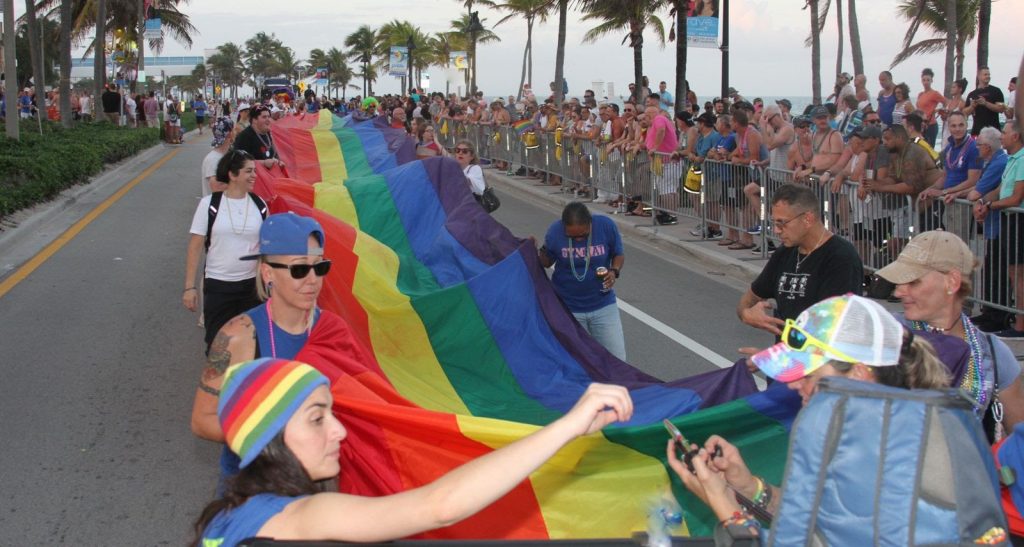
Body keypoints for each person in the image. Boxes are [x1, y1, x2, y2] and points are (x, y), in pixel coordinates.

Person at [192, 357, 632, 546]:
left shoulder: (224, 515)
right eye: (316, 417)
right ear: (270, 439)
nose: (340, 431)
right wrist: (569, 426)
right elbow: (440, 505)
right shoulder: (302, 517)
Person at [672, 294, 950, 540]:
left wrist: (726, 506)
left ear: (859, 375)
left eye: (809, 373)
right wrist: (750, 487)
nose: (793, 384)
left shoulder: (895, 455)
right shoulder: (866, 433)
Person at [190, 213, 353, 485]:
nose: (312, 279)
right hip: (250, 490)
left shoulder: (333, 330)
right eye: (300, 269)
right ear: (268, 273)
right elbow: (202, 420)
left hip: (309, 487)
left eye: (319, 267)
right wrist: (275, 437)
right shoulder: (238, 336)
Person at [876, 230, 1024, 440]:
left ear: (952, 282)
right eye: (900, 282)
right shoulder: (885, 333)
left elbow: (1018, 442)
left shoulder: (993, 353)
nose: (899, 292)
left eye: (913, 281)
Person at [737, 184, 863, 338]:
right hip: (785, 358)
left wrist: (776, 358)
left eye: (782, 223)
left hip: (818, 360)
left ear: (807, 219)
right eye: (775, 223)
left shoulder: (841, 257)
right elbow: (750, 297)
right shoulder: (784, 253)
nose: (776, 230)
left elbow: (832, 328)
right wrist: (746, 313)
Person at [184, 149, 265, 354]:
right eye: (249, 171)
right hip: (218, 287)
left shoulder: (260, 205)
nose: (254, 175)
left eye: (254, 170)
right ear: (232, 174)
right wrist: (189, 288)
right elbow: (195, 246)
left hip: (251, 289)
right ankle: (219, 385)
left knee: (250, 348)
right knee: (217, 348)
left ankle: (244, 385)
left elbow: (267, 248)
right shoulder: (209, 204)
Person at [539, 202, 627, 361]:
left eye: (584, 234)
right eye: (572, 236)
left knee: (617, 360)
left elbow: (618, 253)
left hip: (603, 306)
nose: (579, 239)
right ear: (563, 226)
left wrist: (614, 271)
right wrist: (536, 251)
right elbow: (546, 262)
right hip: (568, 309)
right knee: (576, 363)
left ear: (590, 222)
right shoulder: (554, 232)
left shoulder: (605, 226)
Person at [973, 124, 1024, 340]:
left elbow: (1015, 197)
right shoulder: (1012, 159)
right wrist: (985, 201)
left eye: (1004, 132)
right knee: (1012, 273)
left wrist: (990, 206)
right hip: (1009, 219)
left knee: (1018, 274)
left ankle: (1021, 325)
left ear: (1016, 135)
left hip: (1018, 219)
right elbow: (1001, 190)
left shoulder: (1021, 160)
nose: (1001, 137)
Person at [967, 127, 1012, 332]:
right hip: (993, 225)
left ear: (986, 146)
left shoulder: (1000, 162)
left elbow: (976, 192)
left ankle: (997, 315)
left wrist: (981, 201)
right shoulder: (995, 161)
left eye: (978, 145)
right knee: (991, 268)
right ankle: (990, 311)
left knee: (998, 270)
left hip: (1000, 224)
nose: (977, 148)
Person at [234, 104, 285, 171]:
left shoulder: (267, 133)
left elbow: (273, 154)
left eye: (268, 116)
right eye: (264, 117)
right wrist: (263, 163)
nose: (268, 120)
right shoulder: (244, 137)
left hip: (269, 177)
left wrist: (278, 161)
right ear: (254, 120)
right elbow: (240, 162)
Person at [965, 67, 1006, 136]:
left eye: (989, 75)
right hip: (977, 132)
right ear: (979, 76)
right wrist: (972, 107)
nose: (988, 76)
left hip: (994, 132)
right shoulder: (972, 94)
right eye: (985, 74)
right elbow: (964, 113)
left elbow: (1001, 109)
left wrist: (985, 103)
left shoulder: (996, 91)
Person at [201, 117, 235, 196]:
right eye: (233, 129)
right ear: (230, 134)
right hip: (217, 206)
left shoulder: (224, 156)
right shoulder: (213, 159)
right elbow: (217, 188)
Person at [917, 68, 946, 146]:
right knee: (920, 148)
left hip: (931, 125)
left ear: (931, 81)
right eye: (924, 80)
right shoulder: (920, 95)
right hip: (920, 126)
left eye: (928, 80)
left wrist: (939, 110)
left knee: (929, 150)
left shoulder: (934, 93)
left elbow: (945, 102)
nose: (926, 82)